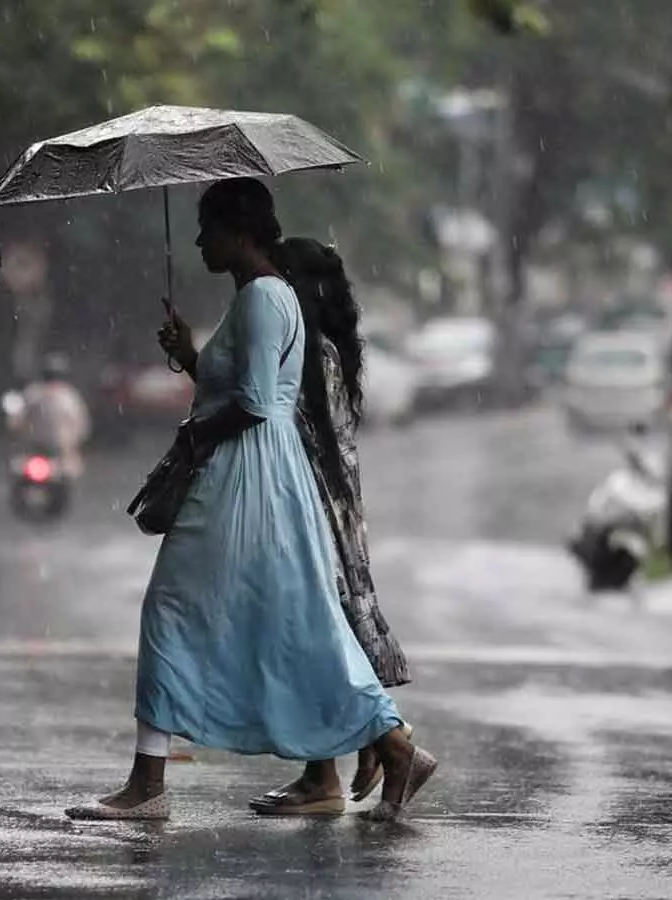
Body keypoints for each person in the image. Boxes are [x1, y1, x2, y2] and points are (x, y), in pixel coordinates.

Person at [65, 178, 437, 822]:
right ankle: (394, 743)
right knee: (294, 621)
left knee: (174, 609)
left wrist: (193, 439)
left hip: (245, 479)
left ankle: (148, 786)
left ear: (240, 232)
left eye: (208, 228)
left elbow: (259, 403)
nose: (200, 241)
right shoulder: (263, 297)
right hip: (258, 474)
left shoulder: (265, 298)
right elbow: (238, 383)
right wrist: (192, 357)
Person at [248, 237, 415, 814]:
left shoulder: (306, 351)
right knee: (318, 635)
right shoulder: (332, 349)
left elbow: (267, 415)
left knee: (314, 636)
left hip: (309, 509)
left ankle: (374, 749)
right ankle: (349, 757)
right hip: (333, 508)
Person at [13, 352, 91, 477]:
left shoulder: (33, 393)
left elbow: (16, 421)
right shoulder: (70, 397)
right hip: (43, 451)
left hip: (52, 452)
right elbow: (82, 426)